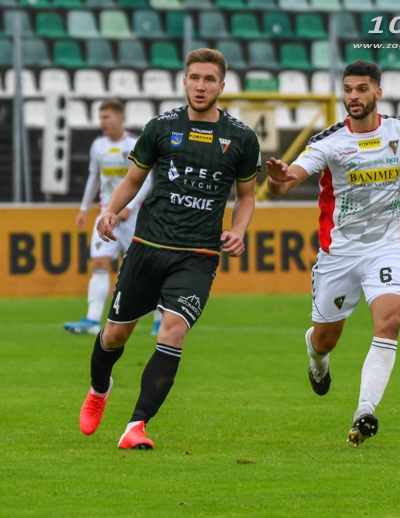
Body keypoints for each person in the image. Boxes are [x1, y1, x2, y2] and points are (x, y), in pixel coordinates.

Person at [265, 60, 400, 446]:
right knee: (325, 339)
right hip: (339, 255)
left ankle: (364, 411)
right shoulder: (329, 142)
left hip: (388, 248)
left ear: (377, 93)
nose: (353, 96)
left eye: (361, 89)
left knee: (390, 320)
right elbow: (284, 185)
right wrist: (277, 180)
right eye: (348, 89)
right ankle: (317, 360)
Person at [78, 48, 262, 450]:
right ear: (184, 81)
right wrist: (110, 211)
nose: (201, 86)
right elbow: (132, 180)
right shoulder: (161, 128)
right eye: (195, 77)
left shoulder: (242, 138)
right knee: (115, 335)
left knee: (173, 331)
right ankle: (99, 388)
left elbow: (246, 196)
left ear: (222, 85)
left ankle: (136, 426)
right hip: (148, 247)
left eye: (209, 79)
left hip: (198, 256)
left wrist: (239, 230)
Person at [63, 99, 162, 336]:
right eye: (101, 118)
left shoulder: (134, 144)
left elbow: (147, 179)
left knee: (148, 270)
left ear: (120, 117)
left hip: (132, 218)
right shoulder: (98, 145)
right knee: (98, 263)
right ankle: (92, 319)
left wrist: (131, 206)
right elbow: (94, 177)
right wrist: (84, 208)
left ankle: (160, 321)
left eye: (107, 117)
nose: (103, 122)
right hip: (106, 216)